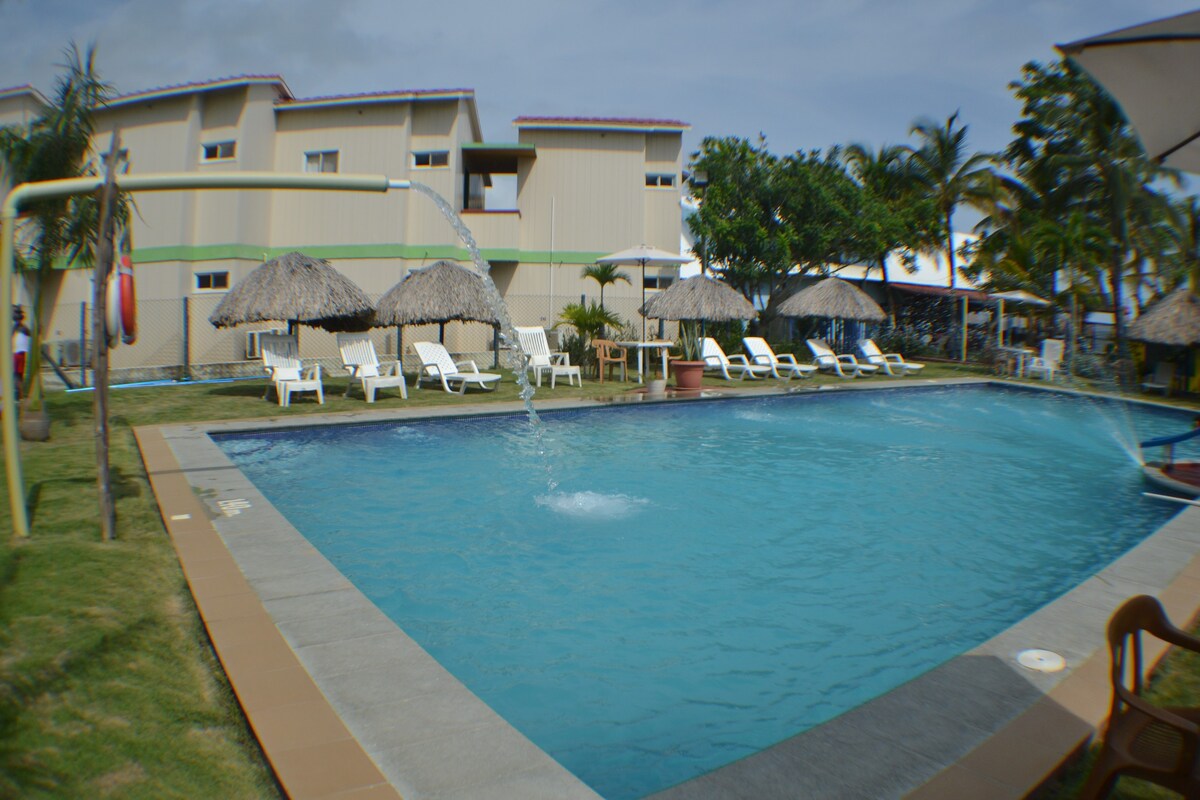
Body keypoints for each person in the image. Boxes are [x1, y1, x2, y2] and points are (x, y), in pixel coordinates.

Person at [12, 306, 30, 398]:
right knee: (18, 374)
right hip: (17, 353)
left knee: (17, 374)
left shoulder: (20, 329)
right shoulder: (20, 328)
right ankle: (19, 393)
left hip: (18, 353)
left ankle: (19, 393)